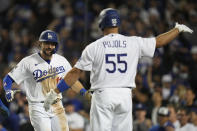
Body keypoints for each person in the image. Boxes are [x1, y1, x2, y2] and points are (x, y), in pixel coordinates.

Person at [44, 8, 193, 131]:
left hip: (104, 95)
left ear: (101, 24)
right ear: (118, 24)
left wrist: (55, 92)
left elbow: (75, 73)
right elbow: (159, 42)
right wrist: (177, 29)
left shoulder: (94, 46)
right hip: (125, 96)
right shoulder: (133, 42)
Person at [3, 30, 88, 131]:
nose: (50, 46)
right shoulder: (28, 62)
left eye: (53, 44)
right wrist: (7, 89)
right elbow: (8, 78)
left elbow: (72, 81)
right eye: (46, 43)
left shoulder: (61, 60)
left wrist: (84, 92)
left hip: (57, 104)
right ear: (40, 44)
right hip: (38, 106)